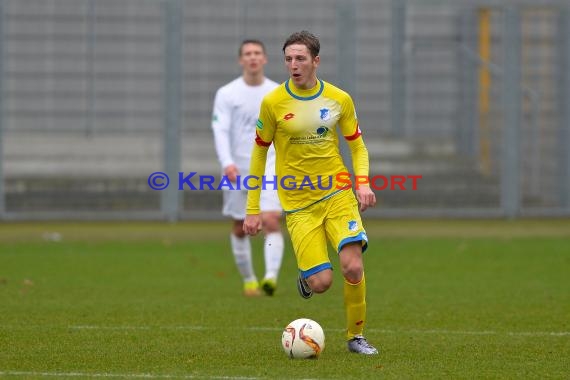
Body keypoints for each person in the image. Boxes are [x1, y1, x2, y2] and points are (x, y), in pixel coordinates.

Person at [243, 31, 379, 355]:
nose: (293, 65)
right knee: (322, 283)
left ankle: (355, 336)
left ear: (316, 61)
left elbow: (357, 146)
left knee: (353, 266)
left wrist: (362, 182)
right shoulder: (274, 102)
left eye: (300, 58)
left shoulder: (339, 99)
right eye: (288, 59)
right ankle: (307, 279)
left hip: (337, 194)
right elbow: (259, 153)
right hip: (299, 205)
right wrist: (252, 208)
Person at [211, 40, 284, 297]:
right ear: (241, 60)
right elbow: (220, 130)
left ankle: (270, 277)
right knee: (240, 225)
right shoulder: (227, 93)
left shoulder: (278, 92)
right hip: (238, 168)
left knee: (271, 219)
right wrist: (227, 162)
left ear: (264, 59)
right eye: (247, 54)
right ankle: (249, 279)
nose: (253, 58)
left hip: (270, 167)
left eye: (257, 53)